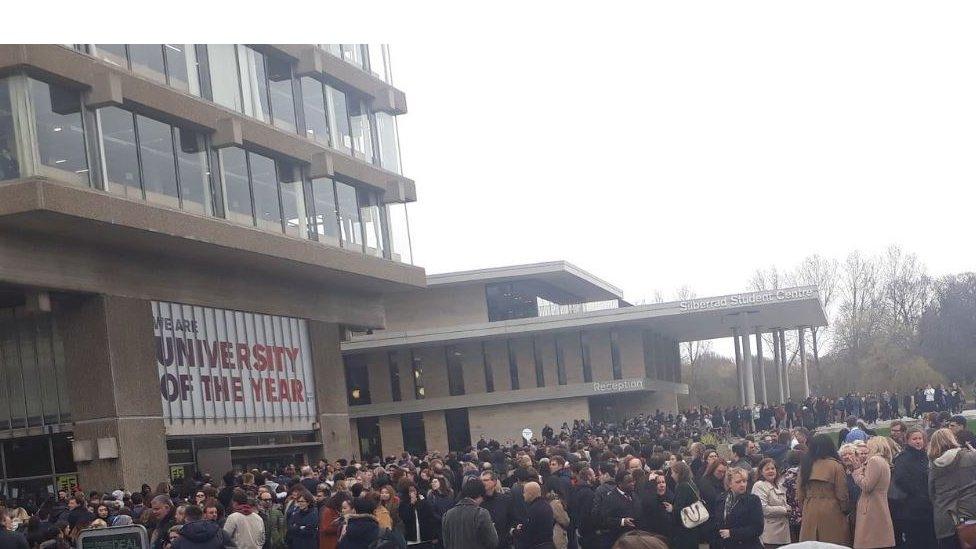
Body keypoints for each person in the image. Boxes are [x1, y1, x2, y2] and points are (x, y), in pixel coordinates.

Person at [797, 434, 850, 546]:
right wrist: (845, 509)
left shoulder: (805, 465)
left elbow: (799, 493)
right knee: (833, 543)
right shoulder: (836, 466)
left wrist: (804, 507)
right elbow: (842, 493)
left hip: (809, 508)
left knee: (810, 543)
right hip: (832, 509)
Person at [928, 428, 976, 549]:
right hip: (969, 514)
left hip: (944, 516)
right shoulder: (970, 457)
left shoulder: (934, 466)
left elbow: (932, 493)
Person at [892, 428, 937, 548]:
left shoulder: (927, 456)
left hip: (929, 506)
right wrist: (918, 492)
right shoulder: (902, 458)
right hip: (913, 508)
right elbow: (901, 480)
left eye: (920, 438)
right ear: (907, 441)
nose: (918, 441)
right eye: (914, 439)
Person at [851, 437, 894, 549]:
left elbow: (866, 485)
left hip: (871, 508)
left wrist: (856, 471)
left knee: (870, 542)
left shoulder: (874, 461)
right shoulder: (884, 461)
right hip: (879, 504)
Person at [714, 467, 763, 549]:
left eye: (744, 481)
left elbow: (757, 528)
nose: (742, 484)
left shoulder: (753, 500)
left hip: (747, 545)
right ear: (730, 483)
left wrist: (732, 533)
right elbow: (716, 524)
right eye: (738, 482)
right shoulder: (721, 499)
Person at [441, 479, 498, 549]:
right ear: (480, 494)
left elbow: (446, 543)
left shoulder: (447, 515)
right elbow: (493, 542)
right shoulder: (481, 514)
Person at [751, 458, 789, 548]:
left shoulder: (779, 485)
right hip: (770, 534)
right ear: (761, 472)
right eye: (767, 469)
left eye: (773, 468)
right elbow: (763, 509)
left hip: (784, 533)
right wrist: (785, 509)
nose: (771, 471)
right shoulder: (759, 486)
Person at [670, 461, 704, 549]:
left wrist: (671, 508)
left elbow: (678, 509)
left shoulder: (682, 487)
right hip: (693, 527)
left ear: (678, 473)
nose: (671, 475)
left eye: (673, 472)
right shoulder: (691, 483)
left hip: (684, 530)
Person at [514, 481, 554, 549]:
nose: (523, 495)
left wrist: (516, 531)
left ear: (530, 494)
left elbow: (529, 532)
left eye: (524, 492)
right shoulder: (547, 506)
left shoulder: (533, 509)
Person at [397, 483, 437, 548]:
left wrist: (434, 535)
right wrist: (411, 505)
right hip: (411, 539)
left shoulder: (424, 503)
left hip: (425, 539)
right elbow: (405, 517)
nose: (412, 493)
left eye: (414, 491)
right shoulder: (403, 504)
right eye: (410, 491)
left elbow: (431, 519)